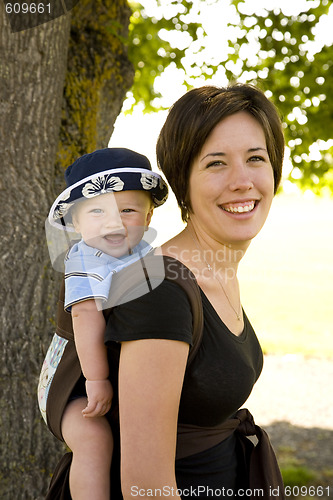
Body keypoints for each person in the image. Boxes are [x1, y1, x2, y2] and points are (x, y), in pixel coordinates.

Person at [104, 84, 286, 499]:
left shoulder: (217, 270)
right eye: (216, 164)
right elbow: (145, 487)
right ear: (183, 182)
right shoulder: (159, 289)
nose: (242, 181)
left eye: (255, 158)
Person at [37, 147, 168, 500]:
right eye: (98, 211)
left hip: (108, 369)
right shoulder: (85, 258)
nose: (114, 222)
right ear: (77, 224)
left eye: (128, 210)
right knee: (95, 439)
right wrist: (97, 379)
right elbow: (84, 316)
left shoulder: (145, 253)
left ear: (148, 215)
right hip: (74, 377)